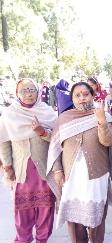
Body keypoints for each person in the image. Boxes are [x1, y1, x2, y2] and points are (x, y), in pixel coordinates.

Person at [47, 82, 112, 243]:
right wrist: (57, 170)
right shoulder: (63, 119)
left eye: (86, 94)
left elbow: (108, 142)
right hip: (72, 178)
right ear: (72, 99)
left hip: (97, 176)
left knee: (96, 219)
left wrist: (101, 123)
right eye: (77, 95)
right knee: (75, 219)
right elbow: (55, 148)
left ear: (92, 96)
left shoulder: (104, 116)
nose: (82, 98)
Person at [0, 78, 58, 243]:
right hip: (21, 173)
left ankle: (42, 240)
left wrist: (42, 132)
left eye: (32, 90)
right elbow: (3, 140)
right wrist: (8, 165)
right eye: (24, 90)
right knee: (22, 213)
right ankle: (23, 240)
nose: (28, 94)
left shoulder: (47, 112)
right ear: (17, 94)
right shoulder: (10, 114)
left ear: (38, 92)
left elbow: (56, 139)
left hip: (44, 173)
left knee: (45, 210)